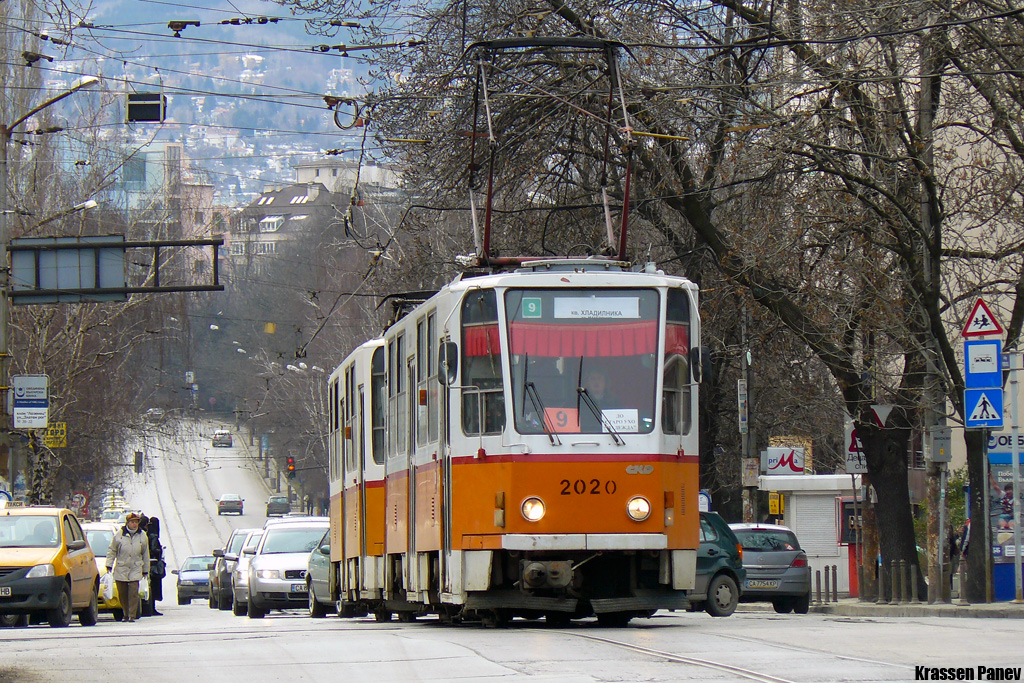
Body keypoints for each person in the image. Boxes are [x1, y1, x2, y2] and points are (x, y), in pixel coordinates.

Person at [106, 512, 150, 622]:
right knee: (123, 593)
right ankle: (125, 613)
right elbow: (112, 550)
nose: (134, 524)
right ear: (128, 523)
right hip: (122, 568)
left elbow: (145, 553)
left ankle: (131, 615)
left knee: (133, 593)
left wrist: (145, 570)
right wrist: (109, 564)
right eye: (132, 522)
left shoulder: (142, 535)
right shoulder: (119, 534)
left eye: (136, 522)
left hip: (135, 568)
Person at [144, 517, 165, 616]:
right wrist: (158, 552)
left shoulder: (146, 534)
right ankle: (151, 608)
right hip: (153, 566)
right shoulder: (153, 536)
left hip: (149, 565)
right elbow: (154, 549)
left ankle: (151, 607)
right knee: (153, 587)